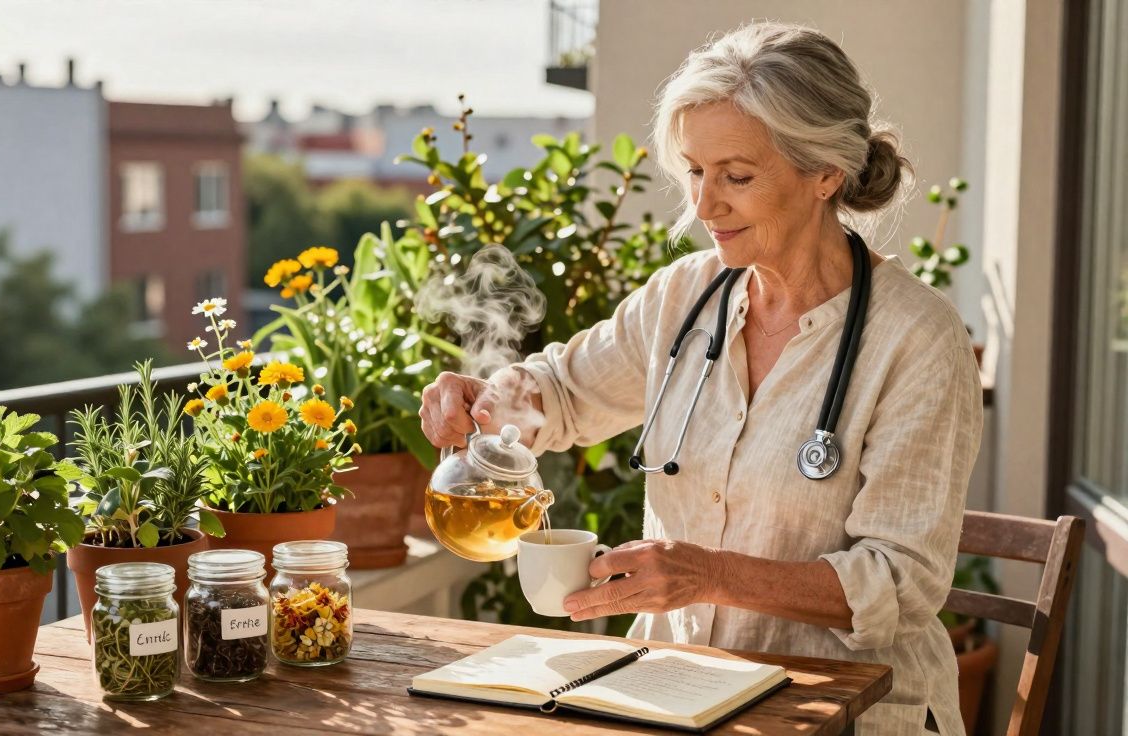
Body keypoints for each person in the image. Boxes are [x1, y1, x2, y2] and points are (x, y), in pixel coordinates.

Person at [418, 21, 982, 736]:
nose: (704, 206)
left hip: (850, 712)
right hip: (680, 695)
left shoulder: (918, 342)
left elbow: (899, 584)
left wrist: (710, 574)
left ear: (825, 174)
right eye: (695, 171)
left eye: (736, 177)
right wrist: (487, 399)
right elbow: (561, 392)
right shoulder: (686, 296)